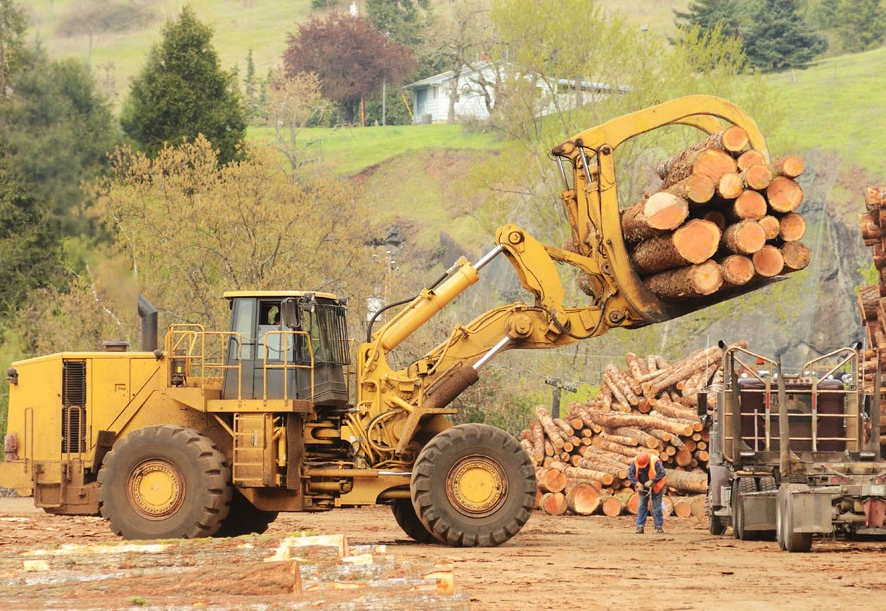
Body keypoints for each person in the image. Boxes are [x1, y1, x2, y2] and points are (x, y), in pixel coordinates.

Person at [627, 451, 667, 534]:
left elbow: (662, 473)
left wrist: (653, 481)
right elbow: (630, 474)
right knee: (642, 506)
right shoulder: (635, 461)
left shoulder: (654, 461)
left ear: (648, 461)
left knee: (656, 507)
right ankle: (640, 526)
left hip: (656, 486)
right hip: (642, 485)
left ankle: (658, 527)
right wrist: (637, 484)